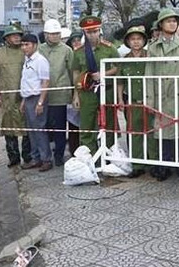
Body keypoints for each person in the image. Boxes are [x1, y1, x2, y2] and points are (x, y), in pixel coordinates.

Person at [145, 8, 179, 180]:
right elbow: (149, 75)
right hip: (162, 94)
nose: (172, 23)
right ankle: (165, 166)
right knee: (163, 133)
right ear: (160, 24)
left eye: (174, 21)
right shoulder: (153, 48)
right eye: (168, 21)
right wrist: (150, 100)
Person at [72, 15, 119, 155]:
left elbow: (118, 67)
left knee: (109, 124)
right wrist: (76, 95)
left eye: (95, 31)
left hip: (106, 90)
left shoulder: (109, 49)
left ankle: (110, 154)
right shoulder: (79, 51)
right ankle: (89, 155)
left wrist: (103, 74)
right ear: (84, 33)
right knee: (87, 125)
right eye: (89, 32)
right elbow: (76, 72)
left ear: (99, 31)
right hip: (86, 92)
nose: (92, 35)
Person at [0, 25, 32, 167]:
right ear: (6, 38)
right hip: (6, 98)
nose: (17, 38)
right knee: (9, 129)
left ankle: (28, 156)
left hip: (25, 96)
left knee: (27, 128)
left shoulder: (27, 51)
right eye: (13, 35)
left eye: (19, 35)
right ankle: (13, 157)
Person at [117, 25, 155, 177]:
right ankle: (137, 164)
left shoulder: (150, 56)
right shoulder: (124, 60)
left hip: (149, 101)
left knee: (152, 133)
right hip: (132, 101)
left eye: (139, 39)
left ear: (144, 40)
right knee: (134, 133)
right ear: (128, 42)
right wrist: (120, 99)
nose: (136, 42)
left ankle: (154, 164)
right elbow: (120, 81)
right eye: (133, 39)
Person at [39, 19, 73, 166]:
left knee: (60, 126)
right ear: (46, 34)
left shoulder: (67, 50)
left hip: (61, 93)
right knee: (44, 126)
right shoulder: (40, 50)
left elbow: (72, 71)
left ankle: (59, 154)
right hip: (43, 95)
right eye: (51, 34)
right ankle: (44, 155)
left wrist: (73, 93)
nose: (54, 36)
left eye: (57, 34)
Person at [19, 33, 52, 171]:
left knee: (39, 129)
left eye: (27, 45)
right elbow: (26, 82)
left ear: (35, 45)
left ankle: (46, 159)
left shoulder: (40, 60)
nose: (24, 47)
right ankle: (35, 158)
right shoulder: (27, 60)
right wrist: (23, 101)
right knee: (31, 131)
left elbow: (45, 81)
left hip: (37, 98)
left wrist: (40, 102)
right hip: (28, 98)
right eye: (23, 45)